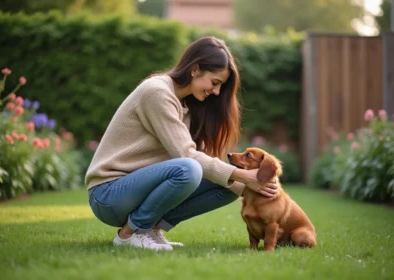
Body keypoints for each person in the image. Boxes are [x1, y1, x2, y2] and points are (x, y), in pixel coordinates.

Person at [85, 36, 278, 251]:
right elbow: (188, 156)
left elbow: (204, 162)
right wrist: (245, 175)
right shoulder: (157, 92)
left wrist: (248, 181)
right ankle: (129, 234)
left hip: (137, 189)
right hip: (109, 194)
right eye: (215, 83)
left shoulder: (188, 104)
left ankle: (151, 228)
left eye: (220, 87)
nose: (216, 92)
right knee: (190, 169)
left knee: (232, 184)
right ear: (195, 69)